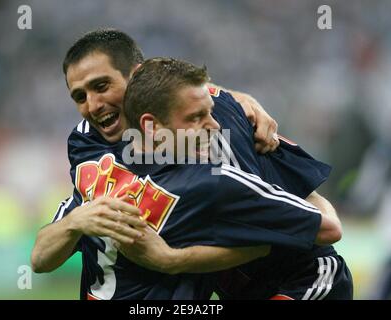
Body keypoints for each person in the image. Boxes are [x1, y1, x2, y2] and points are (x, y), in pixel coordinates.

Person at [31, 29, 347, 299]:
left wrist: (171, 259)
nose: (93, 105)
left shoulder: (220, 141)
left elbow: (302, 228)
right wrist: (75, 222)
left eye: (102, 86)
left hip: (299, 279)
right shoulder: (87, 143)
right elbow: (41, 257)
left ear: (136, 75)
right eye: (79, 96)